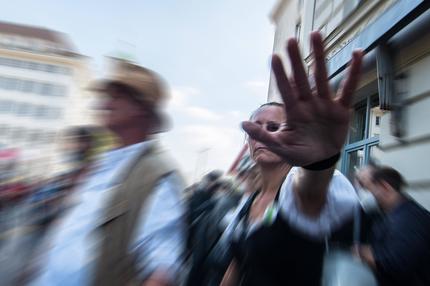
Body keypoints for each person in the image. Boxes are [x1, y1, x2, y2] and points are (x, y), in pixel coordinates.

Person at [219, 31, 364, 285]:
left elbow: (311, 194)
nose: (263, 135)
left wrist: (319, 160)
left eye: (274, 127)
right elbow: (237, 263)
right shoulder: (248, 201)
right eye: (256, 128)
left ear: (294, 134)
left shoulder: (300, 185)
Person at [29, 59, 186, 286]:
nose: (104, 103)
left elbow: (161, 271)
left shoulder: (157, 175)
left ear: (141, 108)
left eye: (116, 96)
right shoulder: (102, 164)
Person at [354, 165, 430, 286]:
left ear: (385, 187)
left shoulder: (410, 218)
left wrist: (362, 252)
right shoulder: (388, 215)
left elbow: (397, 262)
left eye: (369, 190)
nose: (367, 195)